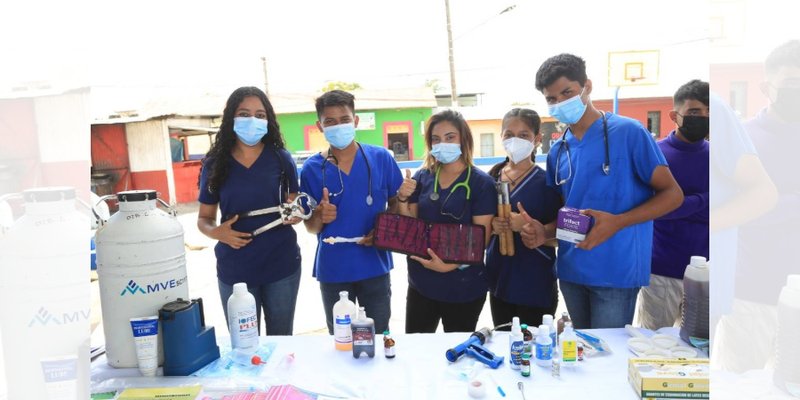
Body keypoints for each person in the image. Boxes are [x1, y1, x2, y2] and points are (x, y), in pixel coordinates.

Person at [520, 53, 683, 329]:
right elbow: (568, 214)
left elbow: (673, 195)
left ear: (587, 87)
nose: (559, 103)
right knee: (582, 359)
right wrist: (543, 232)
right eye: (551, 99)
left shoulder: (629, 133)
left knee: (608, 363)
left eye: (567, 93)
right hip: (572, 273)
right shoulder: (558, 150)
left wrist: (618, 222)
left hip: (616, 274)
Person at [716, 40, 800, 372]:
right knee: (740, 383)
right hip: (751, 294)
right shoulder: (743, 139)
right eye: (792, 86)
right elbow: (733, 211)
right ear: (767, 87)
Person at [197, 86, 302, 336]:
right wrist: (217, 233)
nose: (252, 120)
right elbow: (204, 218)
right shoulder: (214, 164)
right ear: (231, 117)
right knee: (243, 345)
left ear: (268, 120)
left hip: (281, 264)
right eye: (244, 114)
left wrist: (295, 213)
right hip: (235, 268)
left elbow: (293, 201)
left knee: (281, 340)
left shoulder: (281, 159)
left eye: (260, 115)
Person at [300, 90, 403, 335]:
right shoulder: (312, 169)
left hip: (374, 265)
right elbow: (310, 227)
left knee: (378, 334)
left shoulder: (380, 158)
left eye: (344, 120)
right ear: (319, 126)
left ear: (355, 121)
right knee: (341, 339)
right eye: (330, 122)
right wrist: (318, 216)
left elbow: (396, 205)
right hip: (334, 268)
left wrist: (383, 229)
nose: (339, 126)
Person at [395, 109, 496, 333]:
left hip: (463, 285)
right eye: (436, 139)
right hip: (421, 283)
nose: (443, 144)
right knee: (418, 349)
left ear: (463, 139)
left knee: (457, 354)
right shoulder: (422, 177)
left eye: (450, 137)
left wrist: (448, 266)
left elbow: (483, 237)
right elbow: (411, 227)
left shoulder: (481, 183)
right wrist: (402, 198)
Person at [637, 80, 710, 330]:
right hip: (661, 271)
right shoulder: (656, 154)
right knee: (652, 346)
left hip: (705, 274)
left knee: (699, 352)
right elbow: (653, 209)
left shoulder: (720, 156)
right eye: (695, 112)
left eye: (710, 112)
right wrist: (704, 200)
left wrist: (679, 204)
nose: (704, 117)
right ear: (674, 116)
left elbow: (727, 208)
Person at [485, 108, 561, 328]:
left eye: (524, 135)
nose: (515, 140)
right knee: (505, 344)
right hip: (499, 281)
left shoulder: (547, 182)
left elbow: (562, 235)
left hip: (535, 283)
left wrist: (531, 228)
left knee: (536, 350)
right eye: (508, 135)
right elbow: (478, 227)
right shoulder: (491, 178)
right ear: (501, 138)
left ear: (537, 139)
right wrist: (493, 226)